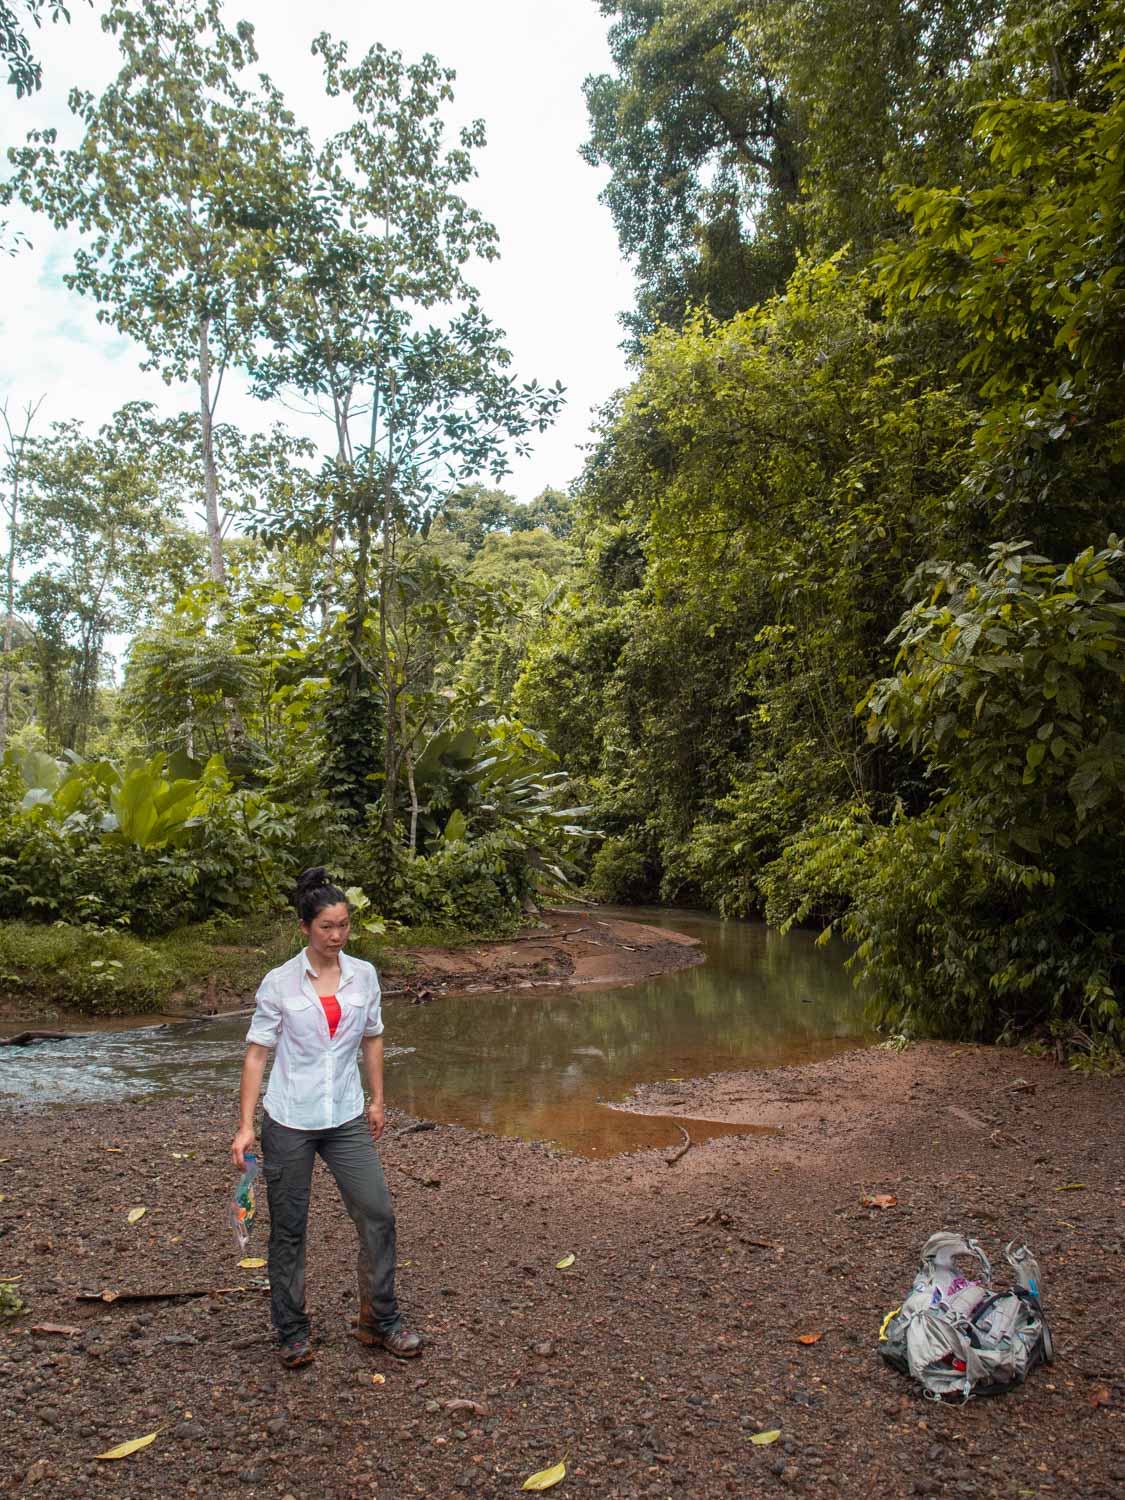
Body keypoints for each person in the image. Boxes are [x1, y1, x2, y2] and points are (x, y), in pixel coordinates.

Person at [230, 866, 422, 1369]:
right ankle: (292, 1330)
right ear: (305, 929)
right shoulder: (280, 983)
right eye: (326, 927)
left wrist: (378, 1100)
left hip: (346, 1117)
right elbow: (257, 1054)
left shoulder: (365, 975)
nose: (336, 936)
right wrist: (246, 1126)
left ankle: (378, 1321)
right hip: (290, 1119)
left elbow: (372, 1037)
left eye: (344, 925)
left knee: (377, 1213)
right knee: (290, 1228)